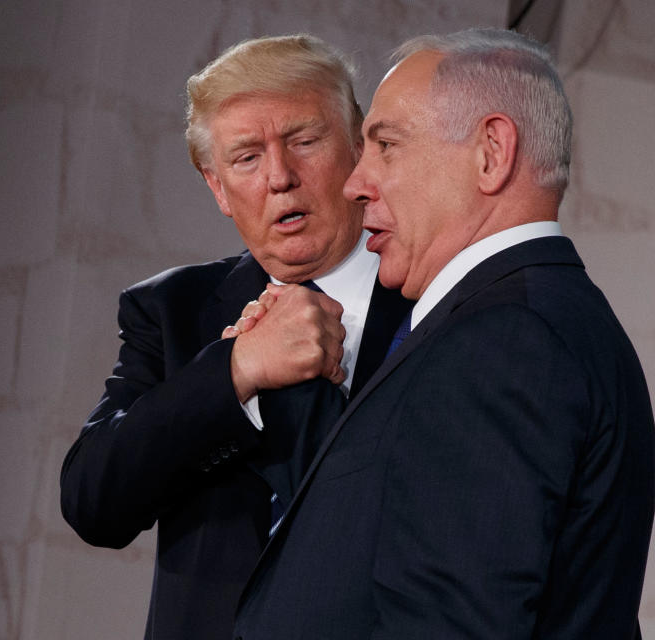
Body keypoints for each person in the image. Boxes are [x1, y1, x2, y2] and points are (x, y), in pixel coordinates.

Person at [232, 28, 655, 639]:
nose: (355, 183)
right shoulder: (533, 323)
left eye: (386, 145)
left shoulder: (507, 341)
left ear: (491, 152)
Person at [59, 35, 411, 640]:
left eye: (304, 141)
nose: (280, 176)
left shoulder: (429, 303)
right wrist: (235, 370)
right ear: (217, 186)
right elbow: (94, 500)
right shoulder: (173, 311)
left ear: (358, 146)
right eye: (247, 157)